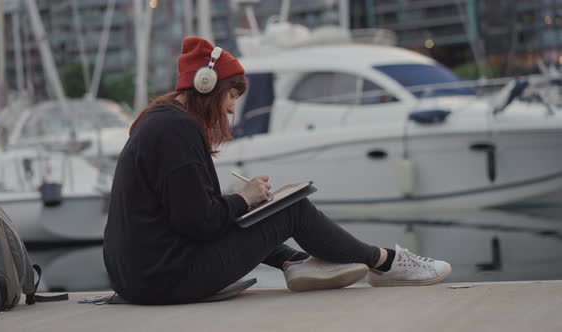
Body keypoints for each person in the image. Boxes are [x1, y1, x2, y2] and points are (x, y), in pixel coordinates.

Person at [103, 36, 452, 305]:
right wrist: (245, 198)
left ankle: (297, 261)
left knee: (267, 209)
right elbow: (200, 223)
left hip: (142, 276)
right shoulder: (176, 130)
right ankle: (387, 264)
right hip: (164, 279)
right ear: (207, 87)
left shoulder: (162, 122)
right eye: (231, 96)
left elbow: (191, 216)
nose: (231, 109)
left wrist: (247, 205)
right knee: (294, 208)